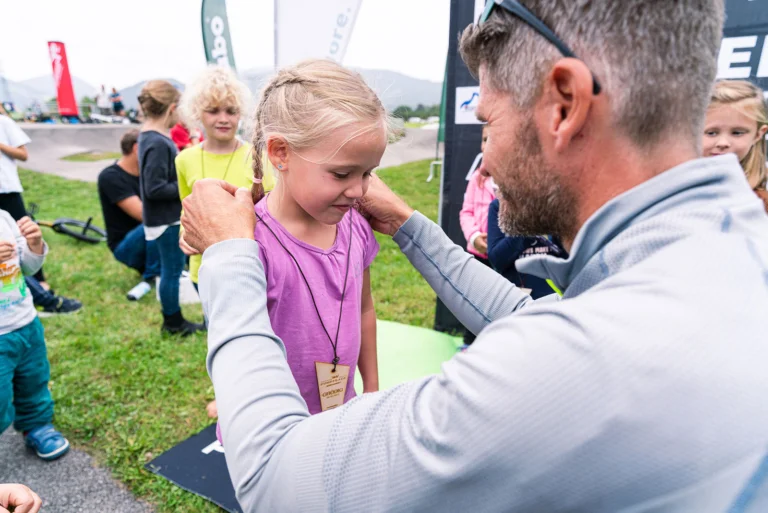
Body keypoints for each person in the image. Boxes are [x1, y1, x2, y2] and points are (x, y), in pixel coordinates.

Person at [181, 1, 768, 511]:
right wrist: (411, 226)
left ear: (563, 105)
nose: (482, 160)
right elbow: (532, 317)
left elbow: (278, 483)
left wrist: (231, 256)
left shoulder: (562, 369)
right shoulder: (728, 259)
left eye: (488, 122)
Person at [211, 60, 381, 429]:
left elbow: (365, 310)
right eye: (341, 173)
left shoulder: (357, 228)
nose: (359, 191)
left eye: (367, 173)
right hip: (268, 427)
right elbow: (233, 341)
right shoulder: (250, 244)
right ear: (281, 153)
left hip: (340, 415)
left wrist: (372, 389)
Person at [176, 65, 274, 293]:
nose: (223, 119)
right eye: (213, 110)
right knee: (213, 326)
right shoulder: (184, 159)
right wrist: (184, 232)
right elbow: (186, 206)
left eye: (231, 111)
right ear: (197, 112)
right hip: (203, 268)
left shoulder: (258, 157)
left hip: (250, 267)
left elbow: (273, 212)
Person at [0, 210, 69, 462]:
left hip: (25, 322)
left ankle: (36, 425)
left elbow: (28, 267)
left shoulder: (4, 218)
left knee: (34, 379)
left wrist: (34, 244)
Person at [0, 104, 82, 316]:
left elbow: (23, 154)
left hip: (7, 190)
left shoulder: (4, 122)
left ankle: (41, 287)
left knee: (25, 239)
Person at [138, 81, 204, 336]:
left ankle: (172, 319)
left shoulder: (149, 137)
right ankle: (173, 321)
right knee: (172, 270)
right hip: (165, 220)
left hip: (161, 218)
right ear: (172, 108)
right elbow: (153, 188)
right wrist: (186, 184)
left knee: (172, 269)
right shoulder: (157, 142)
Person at [98, 129, 160, 299]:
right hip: (126, 245)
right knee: (158, 221)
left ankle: (170, 267)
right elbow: (143, 215)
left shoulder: (148, 174)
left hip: (149, 240)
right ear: (137, 148)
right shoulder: (110, 176)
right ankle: (152, 275)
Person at [703, 80, 768, 212]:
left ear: (758, 134)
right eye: (711, 133)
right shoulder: (670, 189)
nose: (723, 143)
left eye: (737, 133)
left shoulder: (762, 203)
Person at [486, 198, 565, 299]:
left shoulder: (557, 201)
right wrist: (525, 224)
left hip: (555, 297)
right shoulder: (500, 204)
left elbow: (570, 255)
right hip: (518, 297)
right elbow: (496, 260)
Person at [458, 125, 495, 343]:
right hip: (477, 255)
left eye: (492, 138)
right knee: (474, 300)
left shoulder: (513, 181)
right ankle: (469, 344)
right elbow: (466, 212)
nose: (486, 144)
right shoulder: (477, 179)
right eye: (484, 139)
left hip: (505, 260)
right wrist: (474, 237)